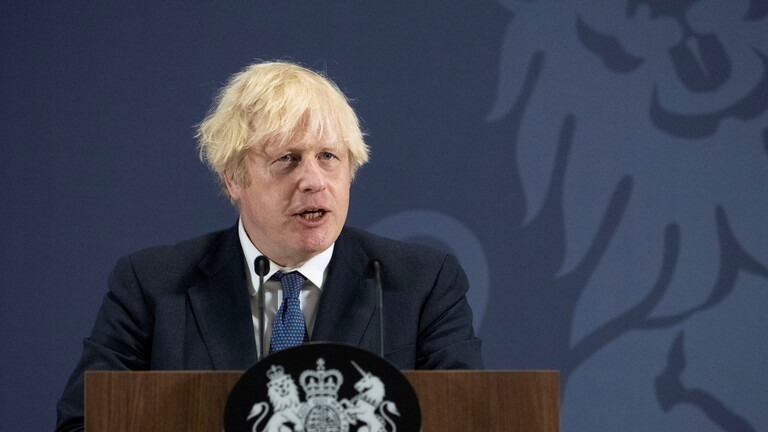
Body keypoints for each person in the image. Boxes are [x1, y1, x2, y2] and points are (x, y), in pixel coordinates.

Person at [55, 60, 483, 431]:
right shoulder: (152, 286)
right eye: (287, 159)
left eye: (328, 157)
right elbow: (84, 423)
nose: (313, 181)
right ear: (233, 178)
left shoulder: (422, 283)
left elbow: (467, 422)